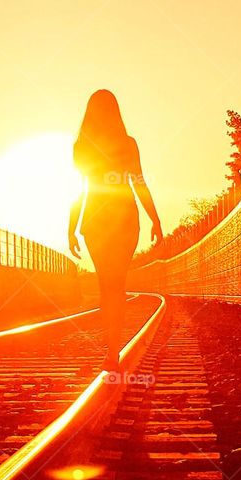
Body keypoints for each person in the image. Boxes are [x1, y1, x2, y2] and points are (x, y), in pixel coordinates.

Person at [68, 89, 162, 370]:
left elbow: (82, 190)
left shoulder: (82, 146)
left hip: (96, 220)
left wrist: (71, 227)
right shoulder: (127, 144)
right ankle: (112, 350)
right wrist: (155, 219)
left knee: (105, 285)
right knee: (116, 285)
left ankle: (111, 350)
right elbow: (138, 182)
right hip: (124, 218)